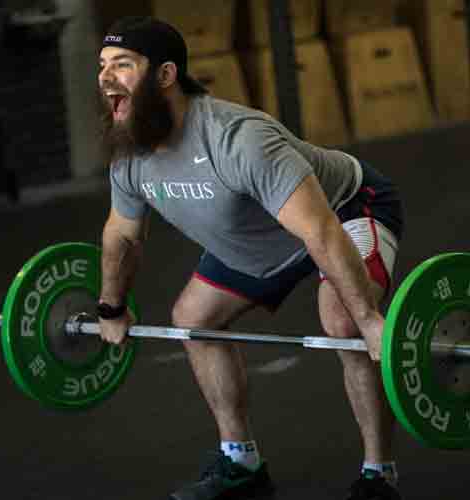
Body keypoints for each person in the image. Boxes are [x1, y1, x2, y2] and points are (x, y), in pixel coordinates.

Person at [96, 16, 404, 500]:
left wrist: (370, 321)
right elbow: (123, 236)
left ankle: (378, 476)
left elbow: (319, 229)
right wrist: (111, 307)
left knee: (344, 325)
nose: (106, 77)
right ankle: (241, 462)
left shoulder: (238, 139)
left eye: (122, 65)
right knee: (193, 320)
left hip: (343, 209)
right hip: (260, 238)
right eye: (102, 66)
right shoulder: (129, 152)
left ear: (165, 76)